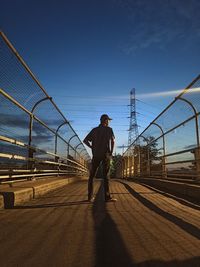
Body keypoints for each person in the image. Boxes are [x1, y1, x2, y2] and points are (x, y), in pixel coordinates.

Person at [83, 114, 117, 202]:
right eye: (108, 120)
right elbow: (112, 141)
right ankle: (107, 197)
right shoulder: (109, 130)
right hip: (105, 154)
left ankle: (90, 197)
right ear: (105, 120)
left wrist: (91, 147)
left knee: (92, 176)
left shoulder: (94, 130)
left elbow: (85, 140)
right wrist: (111, 152)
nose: (109, 122)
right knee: (105, 176)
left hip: (96, 155)